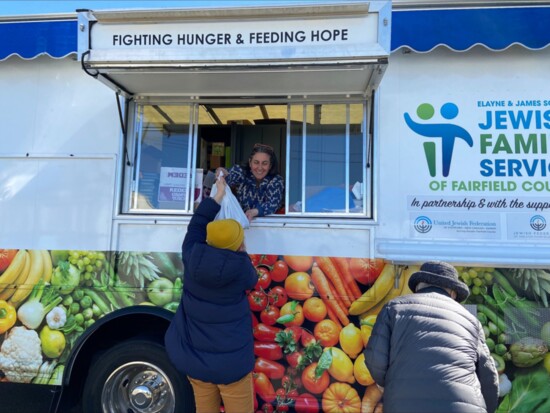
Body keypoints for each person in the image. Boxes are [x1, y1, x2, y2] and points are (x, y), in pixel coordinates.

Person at [164, 175, 258, 413]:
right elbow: (253, 280)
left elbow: (196, 224)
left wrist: (216, 196)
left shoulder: (192, 254)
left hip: (197, 364)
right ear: (238, 246)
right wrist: (242, 252)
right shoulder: (241, 269)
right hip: (232, 368)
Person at [364, 261, 499, 413]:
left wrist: (391, 385)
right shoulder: (471, 320)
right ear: (452, 293)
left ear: (419, 287)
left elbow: (374, 358)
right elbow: (489, 377)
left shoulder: (394, 308)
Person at [216, 143, 283, 221]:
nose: (260, 168)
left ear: (270, 166)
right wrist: (222, 172)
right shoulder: (241, 173)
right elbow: (228, 176)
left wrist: (255, 212)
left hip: (265, 228)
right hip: (238, 225)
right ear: (250, 162)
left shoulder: (276, 180)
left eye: (265, 163)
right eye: (256, 162)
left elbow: (273, 204)